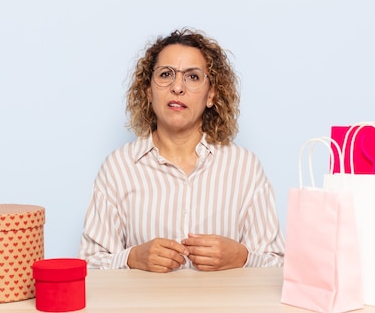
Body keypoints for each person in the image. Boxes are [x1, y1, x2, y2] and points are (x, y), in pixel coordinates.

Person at [79, 28, 285, 272]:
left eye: (193, 77)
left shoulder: (245, 168)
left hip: (223, 310)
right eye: (166, 74)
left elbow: (278, 264)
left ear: (211, 95)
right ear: (148, 91)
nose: (177, 87)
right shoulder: (118, 168)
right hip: (145, 310)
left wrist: (242, 257)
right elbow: (88, 265)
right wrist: (131, 258)